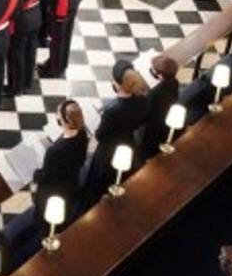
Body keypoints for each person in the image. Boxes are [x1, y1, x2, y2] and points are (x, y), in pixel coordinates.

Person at [81, 61, 150, 207]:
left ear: (118, 84)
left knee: (99, 183)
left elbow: (101, 136)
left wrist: (98, 126)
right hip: (128, 142)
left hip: (108, 151)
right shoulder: (143, 100)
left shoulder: (112, 111)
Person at [33, 100, 90, 222]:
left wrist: (35, 174)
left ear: (66, 121)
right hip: (71, 182)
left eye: (59, 116)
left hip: (52, 190)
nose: (57, 118)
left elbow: (45, 176)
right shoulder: (82, 133)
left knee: (44, 218)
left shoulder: (55, 151)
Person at [9, 0, 51, 95]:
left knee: (17, 54)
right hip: (36, 16)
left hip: (23, 21)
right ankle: (27, 81)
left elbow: (16, 1)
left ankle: (16, 87)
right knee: (30, 51)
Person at [136, 55, 180, 166]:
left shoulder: (154, 94)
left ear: (159, 75)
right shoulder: (174, 82)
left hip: (151, 129)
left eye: (153, 70)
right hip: (164, 119)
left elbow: (145, 114)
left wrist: (142, 98)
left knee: (144, 152)